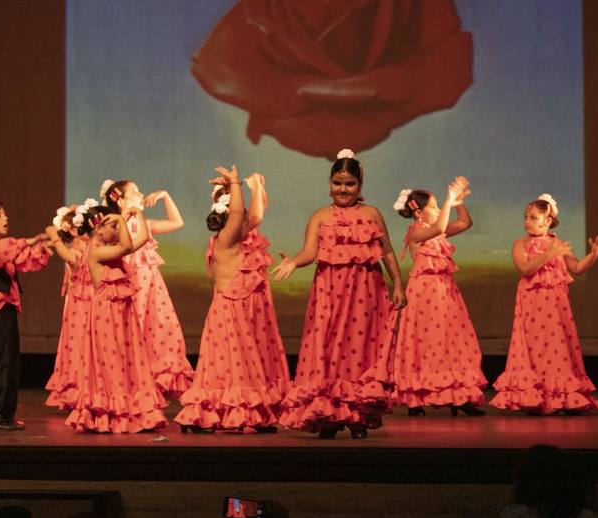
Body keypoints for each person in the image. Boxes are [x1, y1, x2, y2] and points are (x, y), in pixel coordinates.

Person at [272, 148, 405, 438]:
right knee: (328, 349)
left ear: (360, 185)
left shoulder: (371, 214)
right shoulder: (320, 216)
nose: (342, 189)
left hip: (364, 293)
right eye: (337, 183)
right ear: (330, 183)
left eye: (349, 184)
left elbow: (387, 252)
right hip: (330, 292)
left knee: (359, 350)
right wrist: (294, 261)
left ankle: (356, 415)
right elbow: (310, 251)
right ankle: (329, 414)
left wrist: (398, 283)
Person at [177, 167, 287, 433]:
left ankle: (252, 412)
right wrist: (236, 183)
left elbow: (255, 214)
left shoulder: (235, 235)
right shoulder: (225, 238)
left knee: (247, 361)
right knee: (230, 363)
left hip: (244, 309)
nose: (245, 218)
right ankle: (205, 414)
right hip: (231, 310)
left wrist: (252, 186)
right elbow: (239, 213)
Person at [490, 196, 598, 414]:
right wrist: (549, 253)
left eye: (533, 217)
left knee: (557, 347)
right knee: (534, 347)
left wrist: (593, 255)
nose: (527, 221)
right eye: (526, 217)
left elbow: (577, 267)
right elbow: (525, 268)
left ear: (547, 220)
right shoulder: (521, 243)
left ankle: (562, 396)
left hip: (555, 306)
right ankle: (534, 396)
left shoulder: (557, 244)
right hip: (532, 306)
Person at [64, 206, 169, 434]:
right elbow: (128, 245)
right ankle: (110, 412)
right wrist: (122, 217)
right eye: (113, 227)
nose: (119, 230)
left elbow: (140, 239)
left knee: (127, 359)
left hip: (122, 313)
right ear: (98, 229)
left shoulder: (110, 249)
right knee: (112, 360)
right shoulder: (95, 251)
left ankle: (130, 409)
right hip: (106, 314)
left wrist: (137, 215)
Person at [391, 179, 487, 415]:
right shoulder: (416, 232)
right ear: (418, 211)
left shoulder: (437, 230)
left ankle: (459, 396)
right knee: (426, 342)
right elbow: (438, 228)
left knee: (453, 340)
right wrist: (447, 200)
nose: (437, 210)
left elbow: (465, 222)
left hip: (445, 292)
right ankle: (418, 396)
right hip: (425, 296)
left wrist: (458, 203)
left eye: (436, 206)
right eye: (432, 206)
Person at [101, 178, 194, 399]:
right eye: (135, 191)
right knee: (133, 329)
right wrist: (126, 214)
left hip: (151, 287)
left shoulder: (145, 223)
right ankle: (129, 382)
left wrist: (165, 196)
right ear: (120, 200)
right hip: (130, 285)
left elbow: (176, 222)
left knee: (159, 327)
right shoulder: (114, 223)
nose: (141, 194)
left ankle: (151, 383)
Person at [0, 200, 53, 432]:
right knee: (2, 364)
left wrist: (43, 247)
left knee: (12, 365)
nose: (5, 219)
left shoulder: (5, 247)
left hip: (7, 307)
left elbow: (26, 260)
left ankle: (5, 415)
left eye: (5, 215)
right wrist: (28, 241)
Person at [43, 202, 93, 414]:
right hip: (78, 302)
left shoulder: (91, 245)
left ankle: (90, 387)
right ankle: (76, 389)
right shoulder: (73, 248)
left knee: (90, 343)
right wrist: (54, 237)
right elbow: (71, 258)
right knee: (77, 343)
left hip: (91, 299)